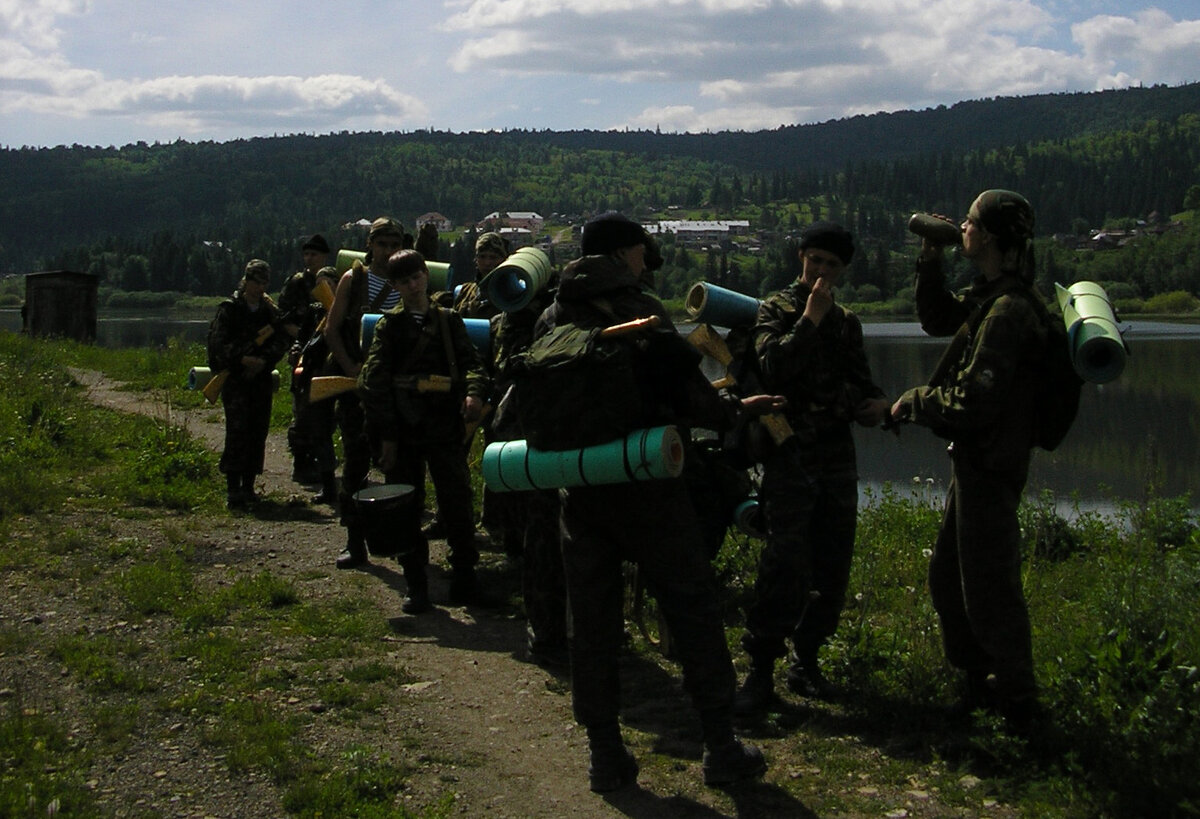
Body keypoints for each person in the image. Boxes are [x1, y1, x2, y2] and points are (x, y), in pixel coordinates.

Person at [535, 211, 772, 792]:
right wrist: (736, 409)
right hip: (648, 486)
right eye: (641, 250)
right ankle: (720, 747)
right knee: (691, 606)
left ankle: (605, 755)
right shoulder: (640, 311)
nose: (646, 258)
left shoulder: (551, 313)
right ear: (623, 254)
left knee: (591, 623)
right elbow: (690, 395)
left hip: (581, 487)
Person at [888, 190, 1045, 731]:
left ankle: (1020, 710)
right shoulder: (991, 297)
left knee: (989, 589)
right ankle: (980, 688)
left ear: (992, 237)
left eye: (970, 222)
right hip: (977, 462)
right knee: (949, 578)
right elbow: (936, 318)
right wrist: (930, 256)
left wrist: (911, 402)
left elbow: (973, 404)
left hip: (991, 463)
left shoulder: (1009, 310)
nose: (962, 226)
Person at [734, 221, 890, 714]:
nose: (820, 271)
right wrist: (810, 319)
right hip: (791, 452)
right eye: (814, 260)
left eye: (831, 265)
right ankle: (760, 669)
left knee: (833, 561)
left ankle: (808, 659)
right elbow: (774, 367)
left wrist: (878, 403)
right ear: (800, 258)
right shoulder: (776, 309)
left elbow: (861, 381)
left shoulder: (848, 322)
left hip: (836, 453)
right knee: (786, 559)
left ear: (843, 270)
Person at [358, 249, 492, 612]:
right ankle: (416, 584)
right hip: (405, 429)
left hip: (445, 427)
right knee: (406, 508)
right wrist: (386, 435)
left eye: (416, 277)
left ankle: (465, 578)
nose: (413, 286)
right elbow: (374, 383)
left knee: (458, 504)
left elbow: (472, 365)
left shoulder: (449, 321)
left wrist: (473, 395)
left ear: (425, 277)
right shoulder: (390, 327)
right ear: (395, 286)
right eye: (404, 281)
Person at [323, 217, 404, 569]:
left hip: (395, 388)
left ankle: (399, 543)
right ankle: (355, 541)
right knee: (355, 464)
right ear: (370, 245)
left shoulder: (408, 282)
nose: (387, 251)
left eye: (393, 245)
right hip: (356, 387)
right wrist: (351, 369)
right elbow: (332, 330)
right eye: (382, 244)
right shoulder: (352, 280)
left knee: (399, 465)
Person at [206, 259, 292, 509]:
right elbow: (218, 344)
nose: (260, 287)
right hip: (235, 378)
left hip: (260, 378)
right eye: (256, 281)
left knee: (258, 431)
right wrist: (242, 359)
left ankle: (249, 486)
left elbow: (281, 339)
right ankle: (233, 489)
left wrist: (264, 361)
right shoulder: (230, 309)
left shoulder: (269, 310)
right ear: (246, 280)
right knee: (237, 431)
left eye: (264, 282)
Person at [277, 233, 331, 485]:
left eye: (314, 255)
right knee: (302, 410)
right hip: (303, 352)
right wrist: (304, 340)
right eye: (306, 254)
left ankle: (323, 461)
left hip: (327, 352)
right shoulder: (297, 283)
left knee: (326, 412)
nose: (309, 259)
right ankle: (302, 463)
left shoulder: (332, 282)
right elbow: (284, 319)